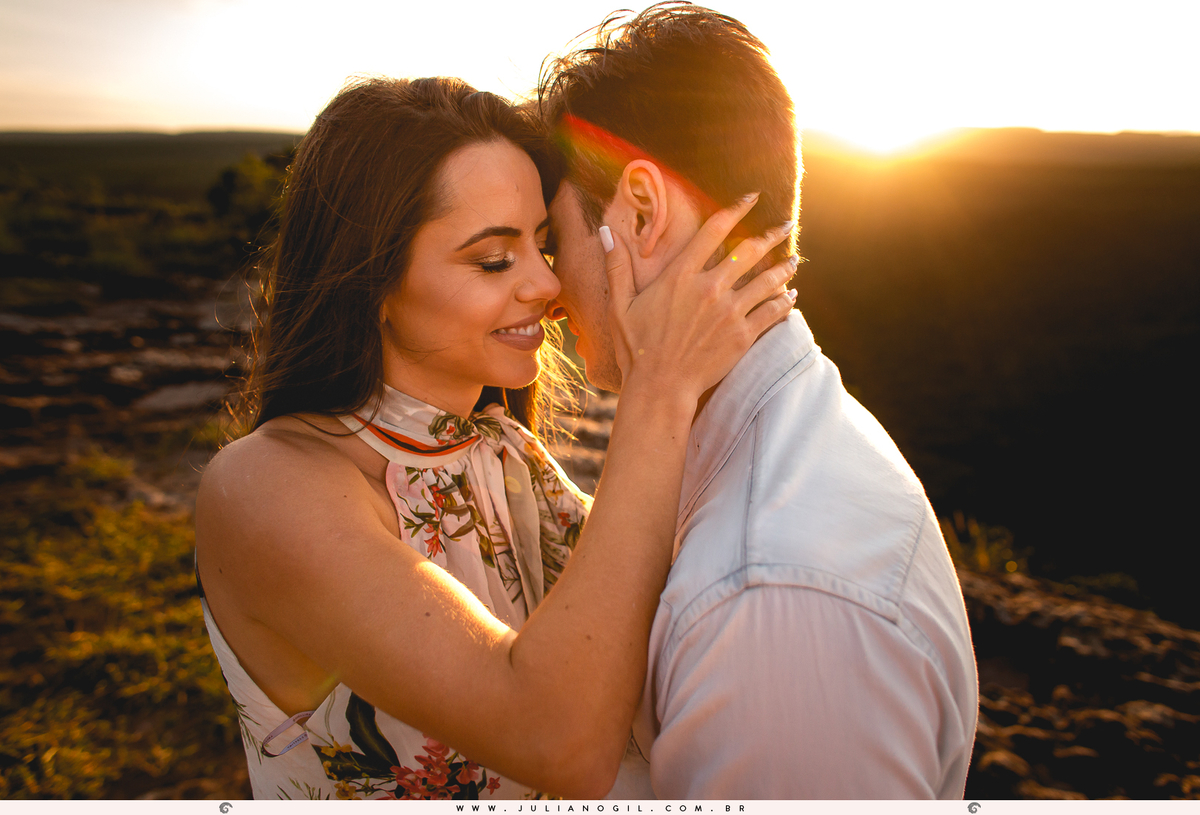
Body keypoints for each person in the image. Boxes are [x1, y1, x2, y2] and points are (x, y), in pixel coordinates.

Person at [194, 76, 795, 800]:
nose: (547, 284)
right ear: (371, 281)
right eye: (493, 259)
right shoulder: (266, 485)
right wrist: (657, 388)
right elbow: (557, 741)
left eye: (544, 244)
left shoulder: (504, 451)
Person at [537, 3, 979, 799]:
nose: (545, 290)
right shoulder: (784, 434)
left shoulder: (772, 595)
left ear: (637, 213)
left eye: (551, 239)